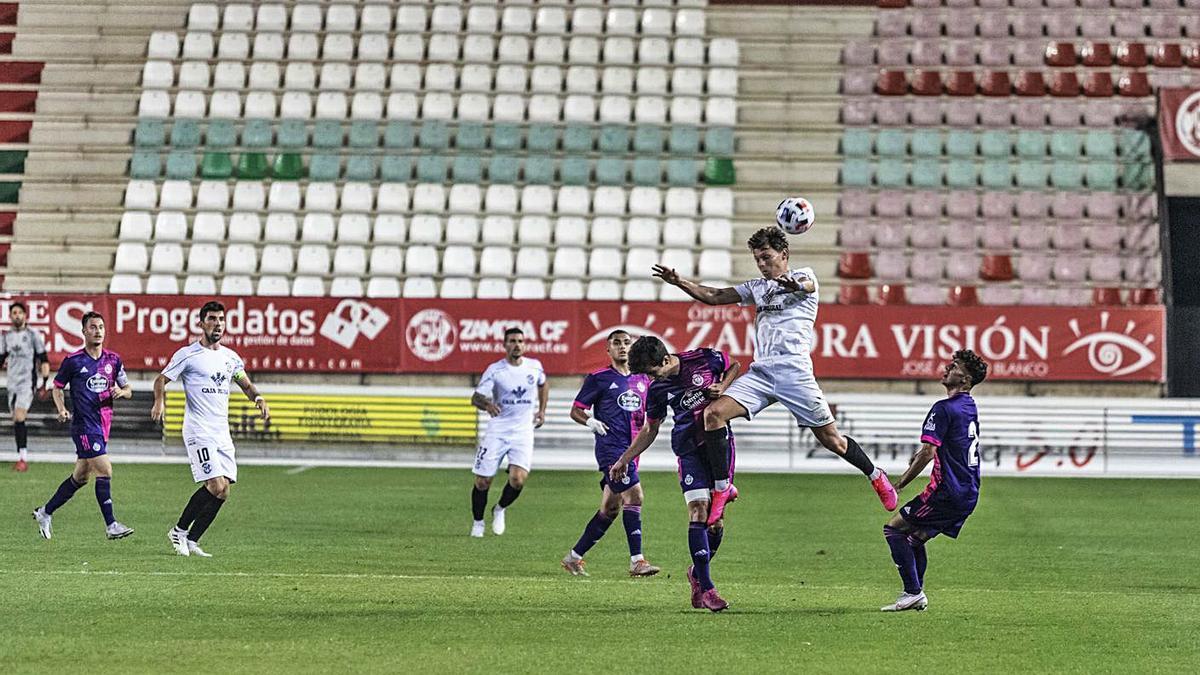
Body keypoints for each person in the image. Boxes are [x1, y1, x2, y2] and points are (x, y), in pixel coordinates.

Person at [651, 226, 897, 524]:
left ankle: (875, 475)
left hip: (794, 373)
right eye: (757, 259)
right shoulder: (757, 287)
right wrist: (679, 282)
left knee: (833, 441)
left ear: (784, 254)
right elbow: (714, 296)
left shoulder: (806, 275)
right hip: (762, 372)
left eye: (766, 257)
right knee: (713, 415)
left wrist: (793, 284)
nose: (762, 264)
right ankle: (722, 488)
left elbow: (805, 286)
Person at [609, 336, 741, 612]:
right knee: (698, 511)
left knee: (715, 524)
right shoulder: (657, 390)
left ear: (666, 360)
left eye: (652, 372)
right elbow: (650, 429)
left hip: (719, 448)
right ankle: (707, 588)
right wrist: (625, 459)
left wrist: (723, 385)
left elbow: (734, 365)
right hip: (688, 451)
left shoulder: (703, 359)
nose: (649, 378)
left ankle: (696, 573)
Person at [151, 300, 270, 558]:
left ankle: (193, 540)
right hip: (198, 430)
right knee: (215, 484)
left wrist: (258, 398)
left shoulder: (230, 359)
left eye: (221, 320)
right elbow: (161, 379)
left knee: (224, 490)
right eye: (212, 319)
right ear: (201, 323)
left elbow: (246, 384)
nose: (217, 324)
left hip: (221, 432)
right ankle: (179, 530)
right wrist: (159, 401)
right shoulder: (188, 355)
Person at [880, 350, 988, 612]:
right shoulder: (968, 406)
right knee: (915, 538)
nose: (946, 368)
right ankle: (915, 594)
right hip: (968, 492)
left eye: (954, 366)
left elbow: (929, 452)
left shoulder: (943, 408)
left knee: (893, 529)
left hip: (947, 491)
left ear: (965, 379)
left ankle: (913, 592)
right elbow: (940, 448)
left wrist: (900, 483)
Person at [561, 330, 660, 578]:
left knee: (610, 508)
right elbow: (576, 410)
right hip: (610, 450)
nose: (623, 347)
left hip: (633, 450)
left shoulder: (644, 380)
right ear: (608, 349)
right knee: (635, 497)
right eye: (616, 343)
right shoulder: (599, 378)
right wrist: (590, 422)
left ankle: (573, 558)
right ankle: (637, 561)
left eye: (627, 342)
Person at [31, 311, 134, 540]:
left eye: (100, 327)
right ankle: (111, 525)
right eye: (93, 327)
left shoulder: (113, 360)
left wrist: (121, 391)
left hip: (103, 425)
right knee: (105, 469)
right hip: (84, 426)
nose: (97, 331)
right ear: (84, 331)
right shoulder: (74, 361)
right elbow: (57, 387)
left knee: (81, 477)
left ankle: (45, 512)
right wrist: (62, 409)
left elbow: (128, 389)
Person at [469, 327, 547, 538]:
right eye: (512, 341)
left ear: (524, 344)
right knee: (482, 481)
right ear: (504, 345)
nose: (517, 344)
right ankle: (478, 522)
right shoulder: (495, 370)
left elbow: (543, 384)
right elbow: (475, 398)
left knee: (518, 480)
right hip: (498, 430)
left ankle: (500, 508)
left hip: (523, 432)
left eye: (520, 341)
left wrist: (541, 410)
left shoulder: (534, 367)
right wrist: (487, 405)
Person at [3, 301, 51, 471]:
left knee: (19, 416)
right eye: (14, 313)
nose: (17, 315)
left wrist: (44, 383)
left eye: (19, 312)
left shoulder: (32, 336)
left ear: (25, 315)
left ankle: (23, 458)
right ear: (10, 316)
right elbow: (1, 358)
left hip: (27, 383)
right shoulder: (6, 336)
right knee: (16, 419)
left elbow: (43, 358)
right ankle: (20, 456)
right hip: (12, 383)